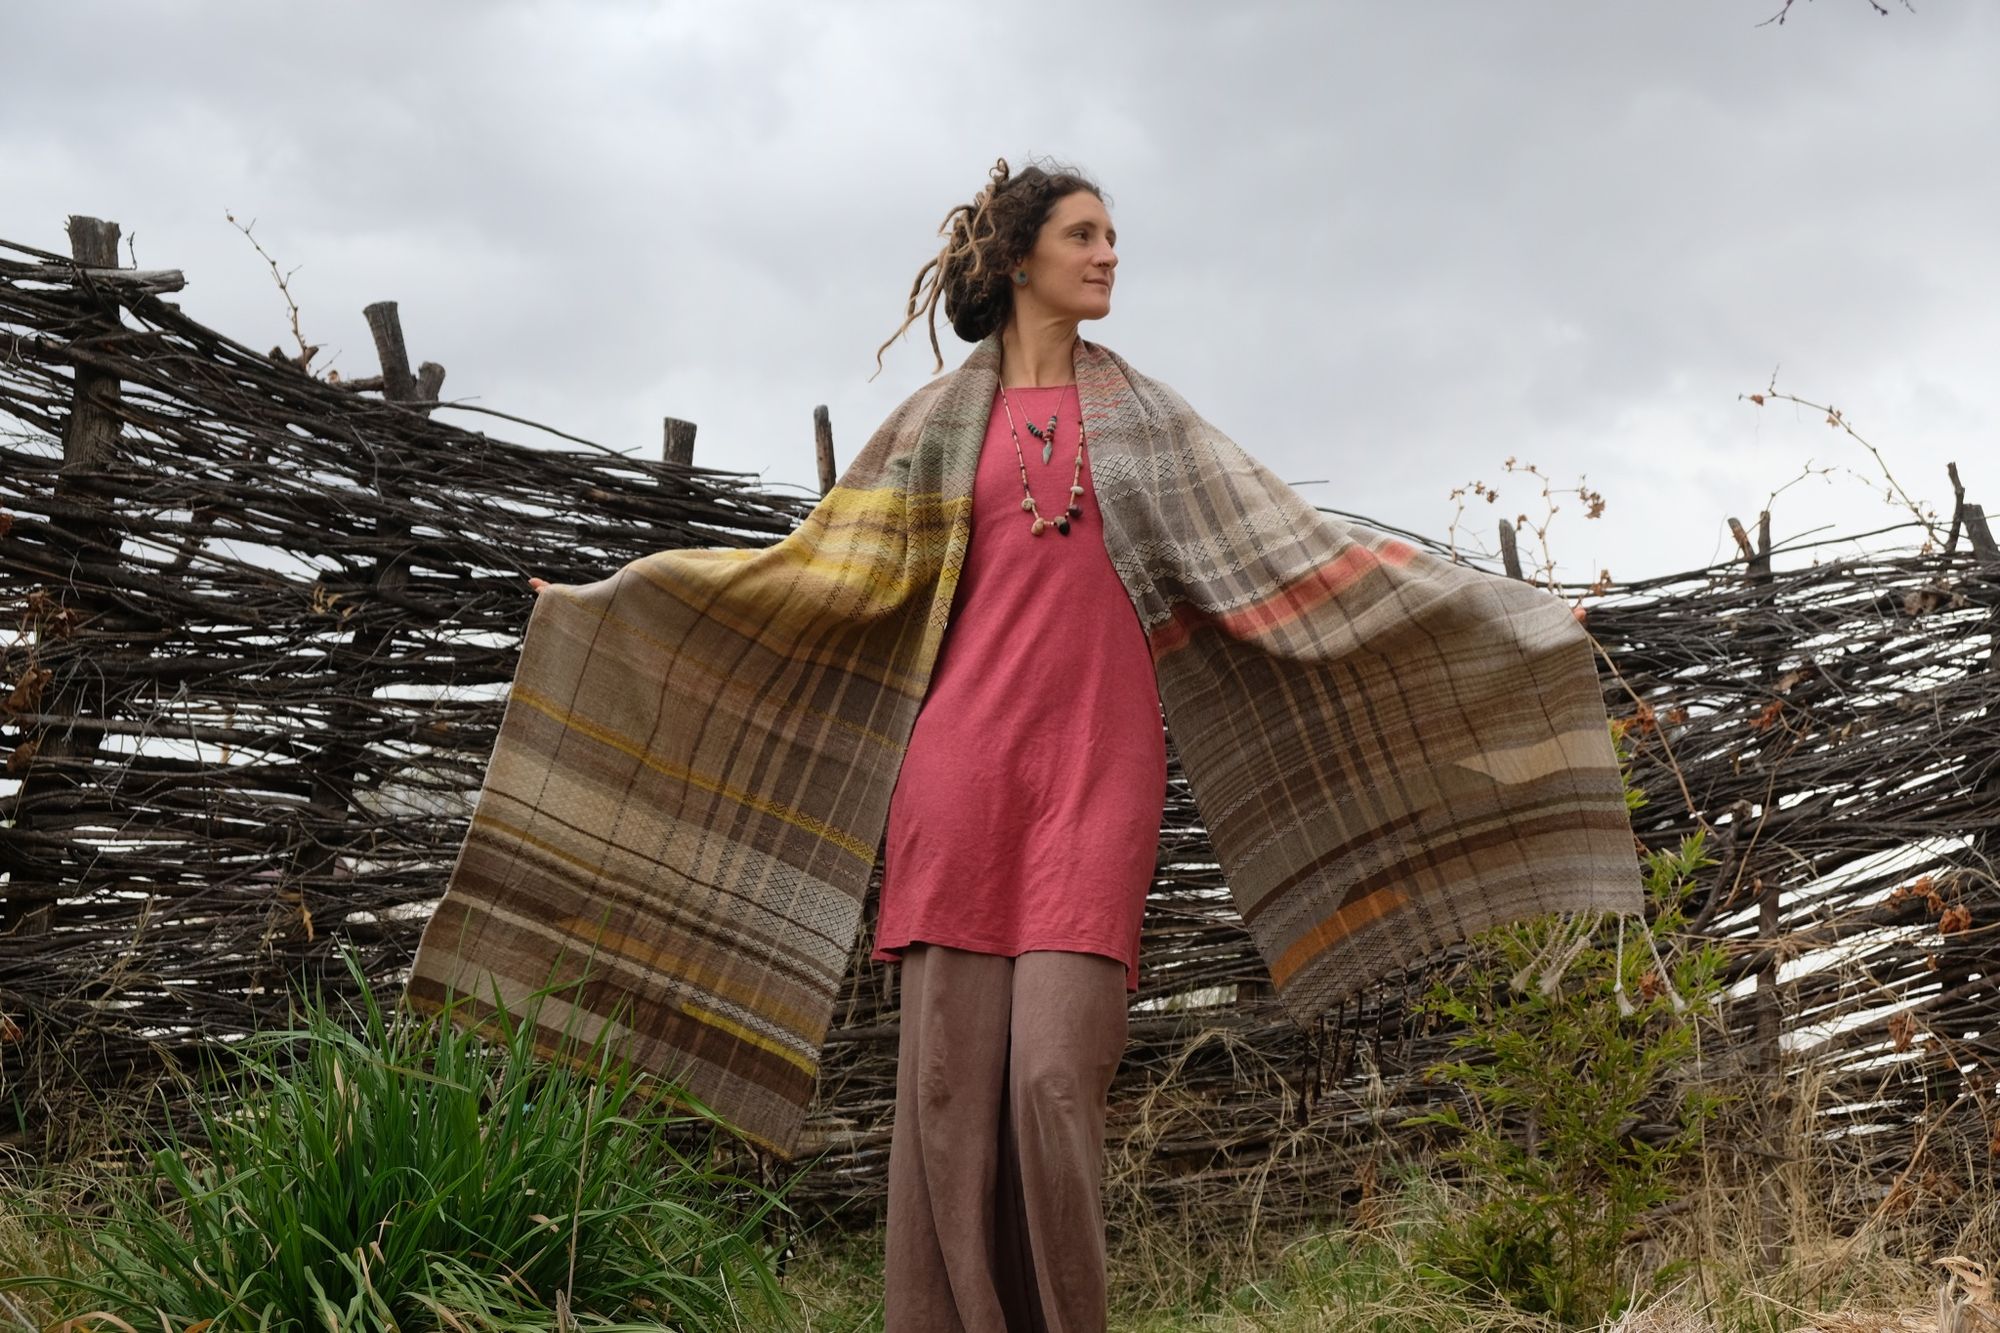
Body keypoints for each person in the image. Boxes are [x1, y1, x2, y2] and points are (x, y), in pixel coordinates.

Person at [494, 156, 1625, 1333]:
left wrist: (1513, 617)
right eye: (1083, 235)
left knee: (1049, 1081)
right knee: (942, 1091)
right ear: (1018, 256)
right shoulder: (936, 424)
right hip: (957, 773)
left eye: (1110, 236)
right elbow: (806, 575)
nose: (1106, 254)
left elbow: (1297, 551)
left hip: (1097, 773)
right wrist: (612, 601)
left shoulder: (1144, 420)